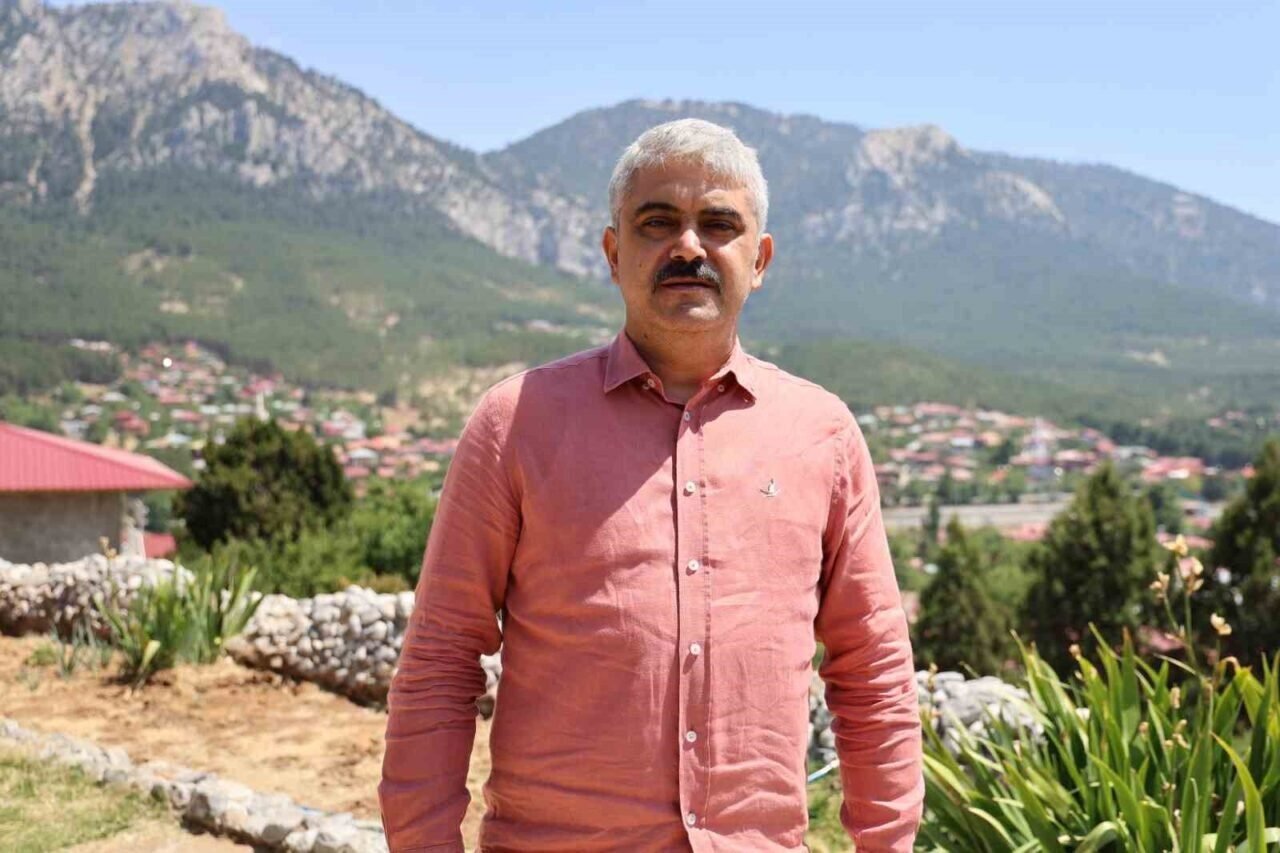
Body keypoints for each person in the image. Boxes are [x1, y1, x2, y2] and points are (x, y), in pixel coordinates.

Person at [379, 119, 922, 852]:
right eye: (657, 222)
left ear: (760, 260)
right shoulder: (516, 423)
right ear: (614, 253)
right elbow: (441, 660)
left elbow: (873, 671)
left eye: (719, 224)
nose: (689, 246)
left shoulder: (822, 435)